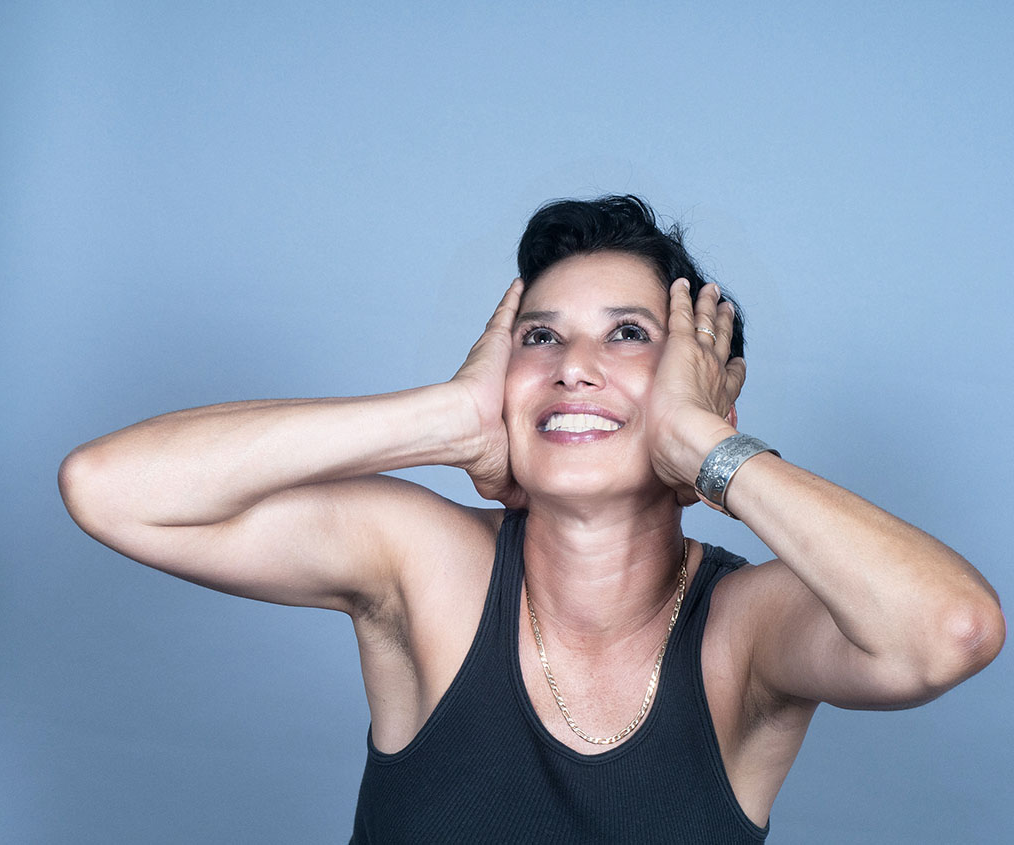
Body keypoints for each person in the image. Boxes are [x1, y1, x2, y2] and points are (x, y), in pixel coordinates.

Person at [59, 195, 1005, 843]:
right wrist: (446, 419)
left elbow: (950, 631)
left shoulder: (746, 629)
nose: (572, 364)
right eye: (540, 336)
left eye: (628, 334)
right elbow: (110, 486)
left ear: (708, 388)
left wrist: (704, 446)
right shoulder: (427, 566)